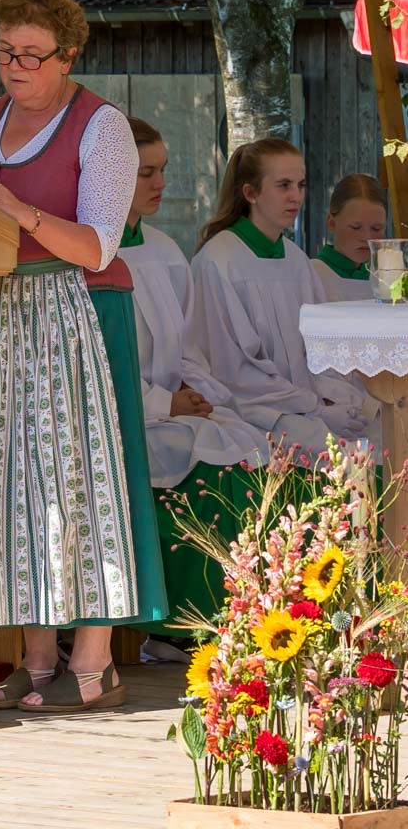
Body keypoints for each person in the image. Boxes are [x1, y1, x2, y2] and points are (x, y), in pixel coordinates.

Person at [0, 0, 167, 717]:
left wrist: (24, 212)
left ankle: (93, 656)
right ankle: (35, 656)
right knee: (7, 485)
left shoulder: (102, 127)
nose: (16, 67)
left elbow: (98, 244)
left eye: (32, 54)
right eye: (5, 52)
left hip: (71, 311)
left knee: (75, 480)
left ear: (67, 56)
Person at [119, 118, 272, 625]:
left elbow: (183, 345)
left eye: (162, 170)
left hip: (170, 406)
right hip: (123, 416)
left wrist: (193, 388)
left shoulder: (163, 250)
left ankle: (243, 614)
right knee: (210, 465)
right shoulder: (90, 256)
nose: (161, 185)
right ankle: (180, 623)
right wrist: (165, 403)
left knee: (251, 443)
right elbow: (95, 363)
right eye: (146, 173)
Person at [190, 138, 378, 460]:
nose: (296, 197)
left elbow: (318, 350)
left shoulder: (295, 260)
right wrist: (315, 407)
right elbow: (233, 371)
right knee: (351, 455)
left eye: (301, 185)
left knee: (382, 425)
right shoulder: (220, 260)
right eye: (283, 185)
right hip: (255, 410)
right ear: (250, 193)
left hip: (305, 402)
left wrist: (336, 398)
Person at [312, 173, 387, 301]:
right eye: (356, 227)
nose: (367, 237)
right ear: (331, 223)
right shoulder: (310, 276)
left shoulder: (385, 281)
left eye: (376, 228)